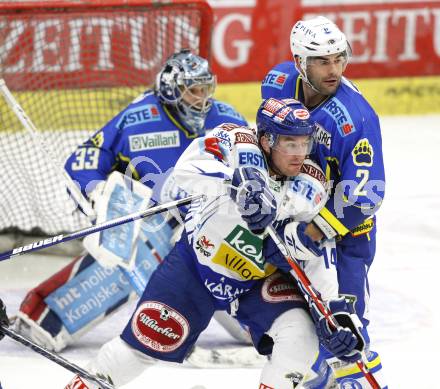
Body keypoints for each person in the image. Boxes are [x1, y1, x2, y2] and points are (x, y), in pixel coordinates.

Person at [63, 98, 366, 389]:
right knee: (138, 349)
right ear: (266, 140)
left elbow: (318, 254)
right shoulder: (234, 139)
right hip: (195, 268)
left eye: (305, 143)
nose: (300, 153)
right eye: (290, 143)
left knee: (300, 335)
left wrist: (334, 313)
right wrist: (238, 182)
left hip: (255, 283)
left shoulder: (311, 184)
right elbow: (183, 173)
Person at [13, 49, 248, 353]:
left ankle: (261, 317)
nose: (202, 98)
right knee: (131, 246)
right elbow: (85, 159)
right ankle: (48, 316)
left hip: (215, 228)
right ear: (170, 89)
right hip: (155, 229)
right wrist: (98, 193)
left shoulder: (228, 119)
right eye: (193, 90)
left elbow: (257, 165)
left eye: (206, 89)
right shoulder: (139, 118)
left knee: (257, 333)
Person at [261, 16, 386, 386]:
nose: (334, 70)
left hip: (345, 236)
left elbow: (367, 195)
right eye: (322, 61)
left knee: (345, 327)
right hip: (294, 219)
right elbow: (265, 137)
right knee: (296, 325)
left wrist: (312, 232)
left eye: (338, 59)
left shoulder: (354, 118)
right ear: (300, 62)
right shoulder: (278, 82)